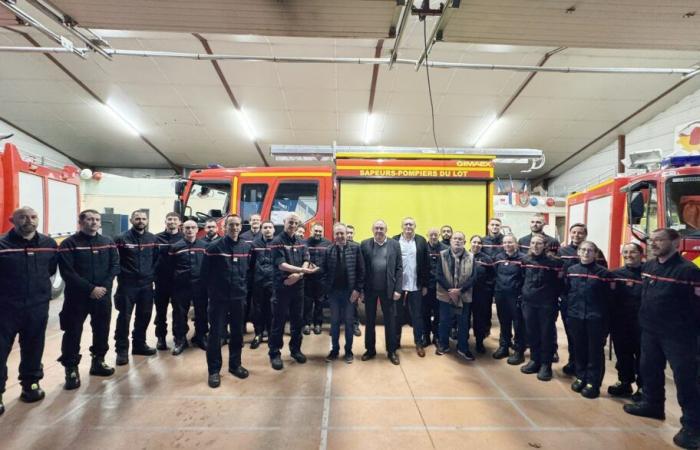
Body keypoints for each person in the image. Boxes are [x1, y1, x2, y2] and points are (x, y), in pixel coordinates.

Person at [624, 228, 700, 449]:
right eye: (652, 240)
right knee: (649, 370)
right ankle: (653, 404)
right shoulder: (648, 266)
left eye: (659, 240)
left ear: (675, 242)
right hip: (649, 330)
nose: (654, 244)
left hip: (679, 335)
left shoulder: (688, 271)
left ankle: (693, 426)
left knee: (686, 380)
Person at [0, 207, 57, 414]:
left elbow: (50, 270)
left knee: (34, 346)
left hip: (37, 306)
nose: (29, 221)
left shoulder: (49, 244)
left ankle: (31, 384)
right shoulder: (2, 244)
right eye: (23, 217)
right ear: (11, 220)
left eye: (33, 217)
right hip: (5, 308)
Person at [58, 209, 120, 391]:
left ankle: (98, 362)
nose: (94, 222)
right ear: (81, 222)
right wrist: (90, 289)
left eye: (97, 219)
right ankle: (71, 369)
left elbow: (115, 266)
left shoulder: (107, 242)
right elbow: (67, 272)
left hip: (102, 296)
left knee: (102, 329)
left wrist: (102, 288)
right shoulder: (69, 244)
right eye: (90, 219)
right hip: (77, 298)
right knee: (72, 331)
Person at [201, 214, 253, 387]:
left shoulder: (246, 247)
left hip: (238, 297)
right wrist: (211, 293)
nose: (235, 228)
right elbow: (204, 274)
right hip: (219, 298)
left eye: (238, 225)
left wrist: (244, 290)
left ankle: (235, 365)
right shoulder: (214, 247)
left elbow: (248, 272)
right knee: (216, 334)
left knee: (237, 333)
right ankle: (214, 371)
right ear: (224, 227)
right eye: (231, 225)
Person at [268, 214, 318, 371]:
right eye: (290, 222)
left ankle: (295, 350)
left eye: (295, 223)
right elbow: (281, 265)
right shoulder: (277, 242)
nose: (293, 225)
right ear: (284, 222)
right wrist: (303, 271)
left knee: (297, 321)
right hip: (282, 287)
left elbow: (306, 260)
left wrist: (298, 275)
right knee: (279, 322)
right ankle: (274, 353)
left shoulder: (301, 242)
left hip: (297, 286)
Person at [565, 241, 613, 398]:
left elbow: (609, 299)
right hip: (575, 316)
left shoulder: (604, 274)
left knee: (595, 351)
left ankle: (593, 382)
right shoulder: (571, 271)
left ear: (595, 254)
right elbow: (566, 292)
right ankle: (581, 376)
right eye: (583, 250)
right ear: (578, 252)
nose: (586, 253)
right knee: (579, 349)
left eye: (590, 250)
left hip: (596, 318)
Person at [556, 223, 606, 374]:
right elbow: (557, 274)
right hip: (570, 302)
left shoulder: (597, 252)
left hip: (591, 305)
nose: (577, 235)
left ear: (585, 235)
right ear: (570, 234)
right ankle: (574, 362)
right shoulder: (562, 251)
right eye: (574, 232)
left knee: (590, 341)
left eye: (580, 233)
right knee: (573, 335)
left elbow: (603, 274)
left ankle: (587, 369)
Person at [114, 209, 160, 366]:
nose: (141, 221)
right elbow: (115, 260)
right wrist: (123, 275)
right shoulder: (121, 238)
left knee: (144, 315)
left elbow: (156, 259)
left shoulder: (152, 238)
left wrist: (151, 275)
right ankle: (121, 350)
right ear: (132, 220)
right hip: (127, 285)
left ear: (147, 221)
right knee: (124, 318)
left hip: (147, 285)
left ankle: (139, 345)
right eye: (138, 218)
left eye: (143, 218)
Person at [520, 234, 563, 381]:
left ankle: (546, 365)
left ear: (545, 246)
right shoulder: (525, 260)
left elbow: (560, 283)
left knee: (546, 334)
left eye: (539, 243)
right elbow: (521, 278)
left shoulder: (555, 263)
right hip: (529, 303)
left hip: (547, 304)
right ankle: (534, 360)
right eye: (533, 243)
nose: (535, 246)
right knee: (532, 332)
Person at [360, 220, 402, 365]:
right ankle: (370, 350)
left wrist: (398, 289)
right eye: (376, 228)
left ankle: (391, 351)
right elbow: (361, 268)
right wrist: (361, 290)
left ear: (386, 229)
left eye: (382, 228)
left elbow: (399, 268)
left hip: (388, 290)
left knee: (390, 321)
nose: (379, 230)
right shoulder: (364, 244)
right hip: (370, 289)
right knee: (369, 321)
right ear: (372, 229)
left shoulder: (394, 245)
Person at [322, 223, 365, 363]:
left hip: (350, 293)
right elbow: (324, 272)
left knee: (349, 322)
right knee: (334, 323)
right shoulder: (329, 250)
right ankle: (334, 350)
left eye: (342, 233)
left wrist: (357, 290)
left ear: (347, 234)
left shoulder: (356, 248)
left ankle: (348, 351)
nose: (340, 236)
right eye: (337, 234)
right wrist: (327, 289)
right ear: (334, 235)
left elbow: (361, 271)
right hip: (334, 293)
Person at [608, 243, 643, 399]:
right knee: (622, 354)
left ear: (641, 254)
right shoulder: (615, 274)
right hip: (620, 322)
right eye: (626, 252)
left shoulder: (648, 273)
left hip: (642, 324)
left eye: (633, 252)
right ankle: (624, 383)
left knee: (643, 356)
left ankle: (643, 387)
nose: (629, 255)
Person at [167, 220, 208, 354]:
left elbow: (209, 266)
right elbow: (169, 267)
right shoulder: (175, 247)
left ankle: (201, 337)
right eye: (187, 228)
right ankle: (180, 340)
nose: (190, 230)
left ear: (197, 230)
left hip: (200, 286)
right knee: (179, 313)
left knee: (201, 312)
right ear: (182, 229)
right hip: (181, 287)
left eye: (193, 228)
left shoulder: (205, 246)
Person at [393, 217, 430, 357]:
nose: (408, 226)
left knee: (417, 316)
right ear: (402, 226)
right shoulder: (395, 240)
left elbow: (426, 264)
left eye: (411, 224)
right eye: (406, 224)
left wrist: (425, 284)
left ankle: (419, 343)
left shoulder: (420, 241)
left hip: (416, 285)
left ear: (415, 226)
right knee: (397, 315)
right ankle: (396, 342)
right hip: (399, 285)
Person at [435, 231, 475, 360]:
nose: (457, 241)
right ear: (450, 241)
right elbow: (439, 275)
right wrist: (450, 290)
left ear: (464, 242)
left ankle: (463, 348)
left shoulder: (471, 257)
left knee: (463, 323)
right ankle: (443, 345)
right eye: (455, 239)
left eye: (460, 239)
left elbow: (473, 277)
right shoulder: (442, 255)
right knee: (444, 321)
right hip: (446, 295)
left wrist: (460, 291)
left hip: (464, 295)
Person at [492, 234, 526, 364]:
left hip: (516, 296)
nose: (507, 245)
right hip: (501, 295)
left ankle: (519, 351)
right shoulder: (499, 257)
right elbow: (495, 274)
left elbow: (525, 278)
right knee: (503, 322)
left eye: (510, 242)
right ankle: (504, 346)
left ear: (516, 244)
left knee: (518, 324)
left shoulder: (523, 258)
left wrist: (521, 294)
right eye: (505, 242)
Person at [153, 212, 183, 351]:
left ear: (179, 222)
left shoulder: (184, 238)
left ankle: (178, 339)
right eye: (169, 219)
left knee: (179, 311)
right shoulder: (156, 238)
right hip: (161, 281)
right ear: (165, 221)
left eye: (174, 219)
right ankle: (161, 338)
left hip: (179, 282)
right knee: (161, 312)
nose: (172, 222)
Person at [250, 221, 275, 349]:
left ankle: (271, 335)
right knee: (257, 308)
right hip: (258, 282)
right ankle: (258, 334)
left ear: (274, 230)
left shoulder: (278, 244)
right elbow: (251, 264)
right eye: (265, 227)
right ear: (261, 229)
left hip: (273, 282)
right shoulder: (255, 244)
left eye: (270, 227)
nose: (267, 230)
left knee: (271, 308)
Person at [469, 235, 495, 355]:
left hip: (481, 294)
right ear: (470, 243)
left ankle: (479, 342)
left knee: (480, 319)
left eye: (479, 243)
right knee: (464, 318)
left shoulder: (487, 259)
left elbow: (492, 277)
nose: (477, 244)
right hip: (465, 293)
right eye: (474, 242)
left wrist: (487, 290)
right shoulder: (463, 255)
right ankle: (463, 341)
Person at [304, 223, 331, 335]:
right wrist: (309, 265)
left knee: (319, 302)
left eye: (320, 231)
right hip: (307, 277)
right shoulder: (305, 242)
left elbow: (330, 260)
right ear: (311, 231)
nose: (318, 233)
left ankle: (318, 324)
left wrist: (320, 268)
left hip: (321, 278)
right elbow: (302, 257)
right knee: (307, 302)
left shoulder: (328, 243)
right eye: (316, 231)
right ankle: (306, 324)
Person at [423, 228, 447, 346]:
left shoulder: (445, 249)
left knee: (439, 314)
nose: (433, 237)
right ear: (427, 235)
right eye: (431, 235)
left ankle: (436, 337)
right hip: (426, 288)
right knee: (425, 313)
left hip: (440, 287)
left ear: (439, 235)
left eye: (436, 235)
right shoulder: (422, 248)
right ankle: (426, 337)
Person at [346, 224, 362, 338]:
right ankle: (338, 326)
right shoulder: (336, 245)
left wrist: (359, 287)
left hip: (353, 283)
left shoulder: (358, 247)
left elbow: (361, 267)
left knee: (354, 305)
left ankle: (355, 325)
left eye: (351, 233)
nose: (349, 235)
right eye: (348, 233)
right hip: (341, 283)